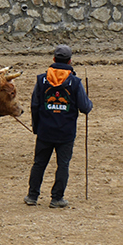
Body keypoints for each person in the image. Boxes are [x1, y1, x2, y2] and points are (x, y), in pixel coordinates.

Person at [24, 45, 92, 208]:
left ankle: (32, 195)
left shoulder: (41, 79)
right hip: (66, 132)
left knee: (39, 163)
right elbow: (84, 107)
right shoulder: (74, 82)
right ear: (69, 61)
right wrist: (89, 104)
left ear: (53, 59)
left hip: (45, 130)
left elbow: (34, 105)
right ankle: (57, 198)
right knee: (63, 164)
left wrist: (36, 127)